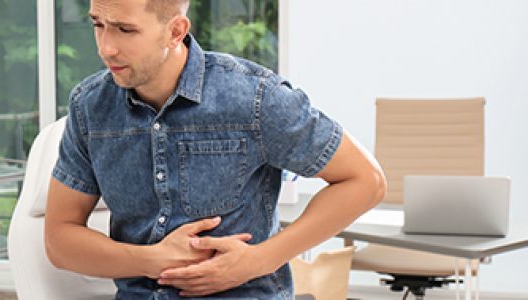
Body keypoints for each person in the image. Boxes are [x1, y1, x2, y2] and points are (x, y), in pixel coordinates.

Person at [44, 0, 386, 298]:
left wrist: (259, 260)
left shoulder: (255, 98)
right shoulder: (90, 106)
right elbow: (59, 237)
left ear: (175, 31)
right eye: (98, 25)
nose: (106, 48)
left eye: (125, 30)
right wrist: (152, 260)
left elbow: (365, 181)